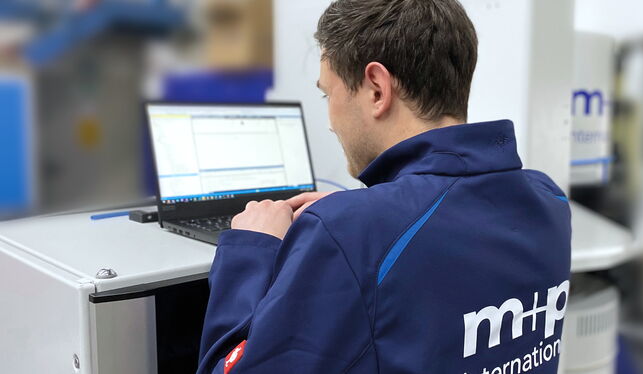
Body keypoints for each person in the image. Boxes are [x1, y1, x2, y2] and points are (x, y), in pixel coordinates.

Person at [197, 0, 571, 373]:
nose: (330, 122)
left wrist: (251, 248)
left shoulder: (348, 230)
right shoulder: (549, 200)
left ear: (377, 89)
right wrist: (369, 213)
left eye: (328, 94)